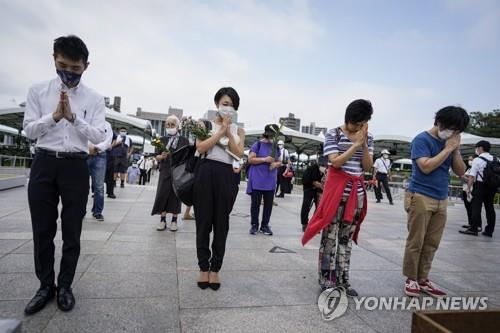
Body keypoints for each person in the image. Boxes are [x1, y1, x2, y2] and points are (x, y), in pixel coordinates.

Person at [22, 35, 105, 314]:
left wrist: (72, 118)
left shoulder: (94, 98)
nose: (68, 72)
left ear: (86, 66)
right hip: (44, 162)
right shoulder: (37, 91)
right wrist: (54, 116)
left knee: (72, 231)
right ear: (54, 59)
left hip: (76, 165)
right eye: (63, 65)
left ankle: (65, 285)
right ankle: (45, 285)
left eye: (75, 68)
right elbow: (29, 130)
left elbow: (99, 135)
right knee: (42, 229)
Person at [302, 99, 374, 296]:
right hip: (336, 194)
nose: (358, 127)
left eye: (363, 123)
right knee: (330, 238)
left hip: (356, 195)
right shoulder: (333, 134)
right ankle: (326, 279)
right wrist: (355, 145)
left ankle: (343, 279)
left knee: (346, 239)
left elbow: (367, 167)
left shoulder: (367, 137)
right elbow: (335, 163)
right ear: (348, 119)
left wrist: (364, 144)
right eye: (356, 124)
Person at [403, 106, 469, 298]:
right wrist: (447, 148)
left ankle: (423, 278)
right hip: (421, 195)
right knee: (416, 240)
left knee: (432, 242)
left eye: (458, 131)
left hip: (441, 198)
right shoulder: (421, 140)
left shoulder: (450, 143)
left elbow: (460, 171)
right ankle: (411, 279)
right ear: (440, 123)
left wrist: (455, 151)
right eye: (453, 129)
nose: (454, 134)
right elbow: (425, 167)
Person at [193, 87, 245, 290]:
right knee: (203, 222)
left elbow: (239, 154)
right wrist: (221, 131)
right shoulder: (204, 123)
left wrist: (230, 132)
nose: (228, 108)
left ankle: (215, 269)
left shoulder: (239, 130)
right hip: (205, 173)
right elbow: (200, 147)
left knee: (221, 224)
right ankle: (203, 267)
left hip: (227, 176)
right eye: (224, 103)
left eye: (232, 105)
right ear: (216, 104)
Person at [151, 115, 189, 232]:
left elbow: (187, 156)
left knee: (175, 195)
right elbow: (156, 156)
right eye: (167, 124)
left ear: (177, 126)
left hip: (178, 171)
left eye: (172, 124)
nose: (170, 127)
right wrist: (161, 156)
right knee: (162, 193)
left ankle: (174, 220)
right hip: (165, 170)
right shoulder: (161, 139)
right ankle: (162, 220)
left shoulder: (184, 140)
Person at [247, 124, 283, 236]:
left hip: (270, 180)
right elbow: (250, 160)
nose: (270, 138)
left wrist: (275, 164)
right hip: (257, 179)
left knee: (268, 205)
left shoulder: (276, 146)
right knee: (255, 204)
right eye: (269, 136)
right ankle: (254, 225)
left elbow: (279, 161)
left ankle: (265, 225)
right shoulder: (257, 144)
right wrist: (264, 159)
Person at [460, 141, 496, 237]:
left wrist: (468, 189)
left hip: (480, 186)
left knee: (476, 207)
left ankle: (474, 228)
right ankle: (489, 231)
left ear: (480, 148)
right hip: (492, 187)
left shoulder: (477, 160)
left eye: (477, 148)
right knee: (490, 208)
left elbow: (472, 176)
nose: (476, 150)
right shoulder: (496, 159)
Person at [87, 120, 113, 221]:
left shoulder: (107, 125)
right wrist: (88, 147)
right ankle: (80, 211)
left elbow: (108, 141)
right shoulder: (86, 121)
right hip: (85, 154)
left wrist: (96, 148)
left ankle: (97, 212)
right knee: (82, 185)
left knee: (99, 186)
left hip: (100, 155)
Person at [300, 154, 327, 232]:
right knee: (306, 205)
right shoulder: (311, 168)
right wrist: (314, 183)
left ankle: (315, 224)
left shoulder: (327, 170)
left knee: (319, 207)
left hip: (320, 191)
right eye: (322, 165)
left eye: (324, 165)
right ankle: (304, 224)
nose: (323, 166)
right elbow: (304, 180)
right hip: (309, 189)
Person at [460, 155, 475, 230]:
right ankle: (470, 223)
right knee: (468, 208)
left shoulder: (475, 169)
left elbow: (472, 180)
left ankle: (473, 224)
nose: (470, 161)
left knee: (471, 208)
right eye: (469, 160)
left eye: (471, 159)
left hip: (470, 190)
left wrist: (462, 177)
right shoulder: (469, 168)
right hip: (465, 189)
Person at [105, 130, 118, 198]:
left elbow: (115, 139)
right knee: (97, 176)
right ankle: (96, 192)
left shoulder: (109, 128)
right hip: (98, 153)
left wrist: (111, 145)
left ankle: (110, 192)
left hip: (109, 155)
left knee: (110, 175)